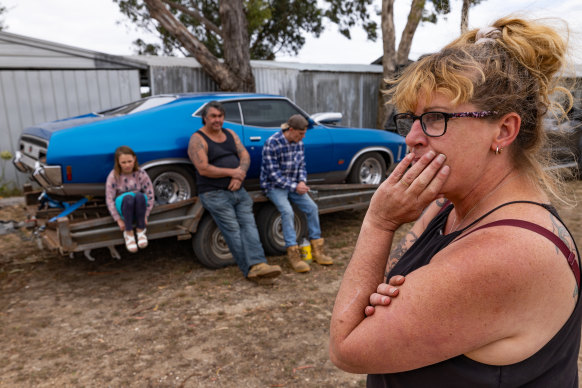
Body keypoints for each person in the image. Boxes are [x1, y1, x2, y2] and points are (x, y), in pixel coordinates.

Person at [329, 16, 581, 387]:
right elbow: (371, 297)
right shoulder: (446, 205)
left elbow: (347, 346)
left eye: (435, 118)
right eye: (411, 120)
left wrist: (378, 224)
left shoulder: (508, 252)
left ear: (504, 130)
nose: (412, 137)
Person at [188, 100, 282, 284]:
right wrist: (233, 172)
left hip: (238, 189)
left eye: (220, 116)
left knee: (249, 226)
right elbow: (203, 168)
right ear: (205, 118)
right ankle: (250, 270)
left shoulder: (230, 133)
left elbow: (244, 155)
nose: (217, 120)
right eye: (213, 116)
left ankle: (260, 265)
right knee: (233, 230)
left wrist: (239, 177)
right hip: (213, 193)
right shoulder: (197, 139)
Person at [260, 114, 333, 273]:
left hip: (294, 185)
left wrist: (301, 181)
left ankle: (317, 250)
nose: (303, 136)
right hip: (274, 186)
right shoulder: (272, 143)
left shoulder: (298, 143)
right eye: (300, 133)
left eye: (304, 133)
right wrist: (295, 187)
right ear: (291, 130)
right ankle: (293, 255)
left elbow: (301, 166)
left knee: (312, 208)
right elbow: (273, 175)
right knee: (287, 211)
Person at [105, 145, 154, 253]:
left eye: (129, 161)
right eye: (123, 162)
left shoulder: (140, 173)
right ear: (118, 162)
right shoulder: (113, 176)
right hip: (123, 204)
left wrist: (146, 214)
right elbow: (109, 199)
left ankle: (141, 230)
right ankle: (129, 232)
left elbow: (150, 193)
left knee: (140, 196)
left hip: (138, 204)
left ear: (134, 159)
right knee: (128, 198)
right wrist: (118, 219)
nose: (127, 165)